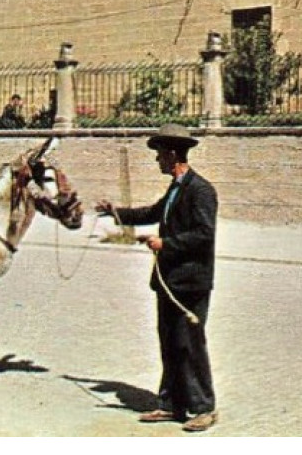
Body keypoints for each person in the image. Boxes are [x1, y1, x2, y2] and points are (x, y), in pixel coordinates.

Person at [96, 123, 218, 433]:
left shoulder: (201, 190)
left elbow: (204, 235)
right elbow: (153, 213)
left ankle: (204, 407)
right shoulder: (176, 188)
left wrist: (167, 244)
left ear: (174, 154)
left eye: (160, 154)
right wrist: (116, 212)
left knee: (190, 345)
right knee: (170, 343)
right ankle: (171, 404)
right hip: (168, 279)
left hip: (190, 283)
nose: (157, 160)